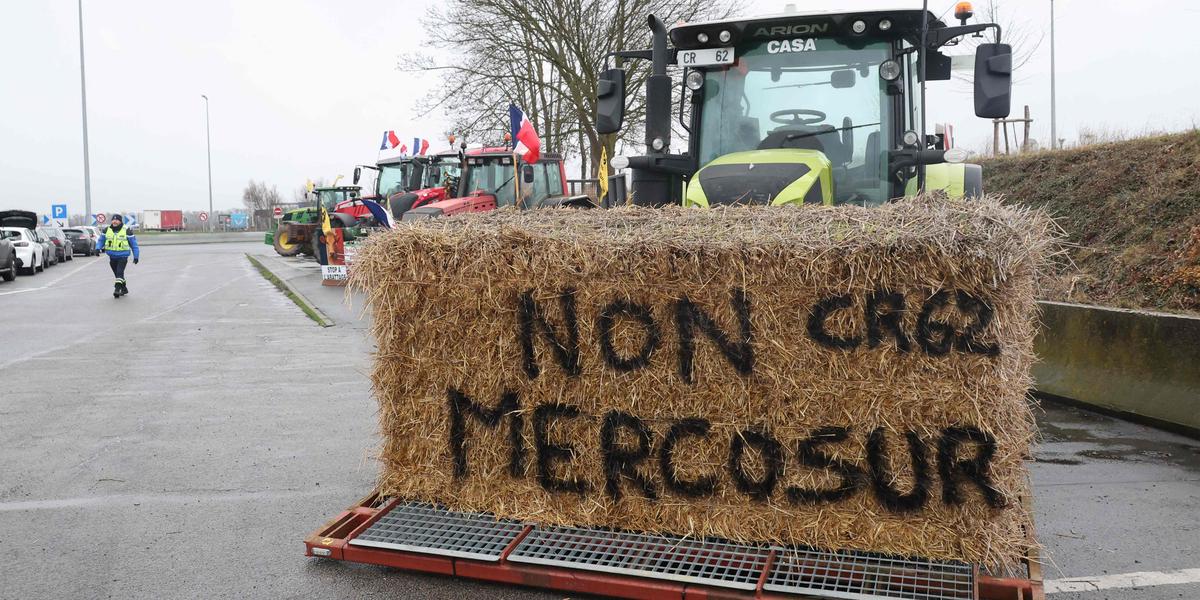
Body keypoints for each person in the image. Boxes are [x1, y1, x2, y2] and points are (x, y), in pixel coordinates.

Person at [95, 214, 140, 297]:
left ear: (120, 221)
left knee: (119, 272)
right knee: (118, 275)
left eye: (117, 220)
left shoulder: (127, 230)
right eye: (113, 220)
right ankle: (124, 289)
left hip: (123, 256)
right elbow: (101, 240)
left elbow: (134, 245)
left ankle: (117, 289)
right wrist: (98, 248)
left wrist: (136, 256)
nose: (114, 221)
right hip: (112, 257)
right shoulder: (106, 230)